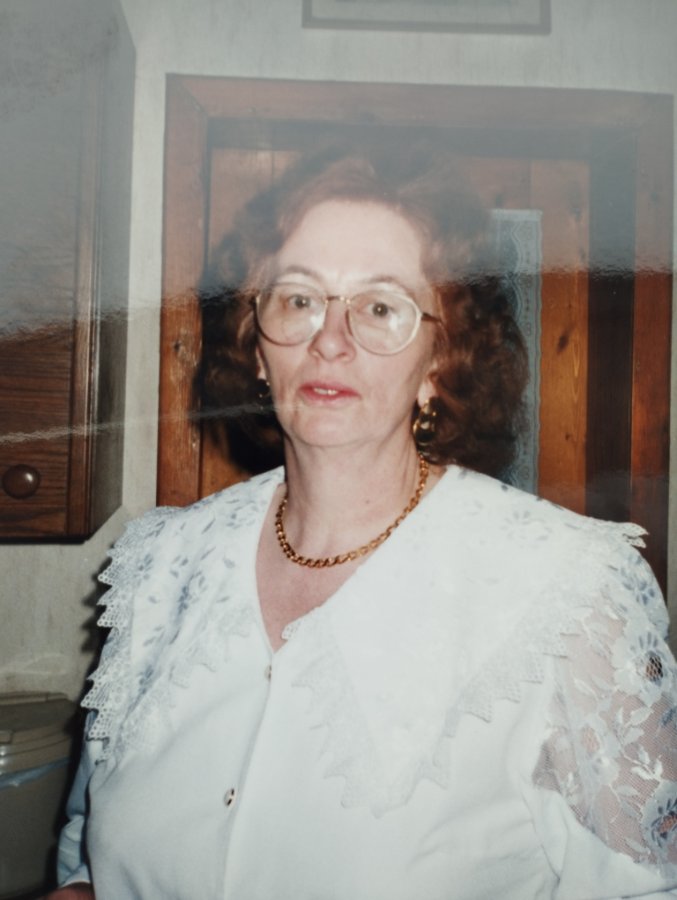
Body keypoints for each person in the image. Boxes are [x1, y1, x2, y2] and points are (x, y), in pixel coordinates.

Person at [49, 143, 677, 899]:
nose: (329, 340)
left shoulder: (571, 593)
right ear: (257, 347)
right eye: (299, 300)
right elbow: (89, 860)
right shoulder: (159, 568)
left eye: (380, 308)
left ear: (440, 361)